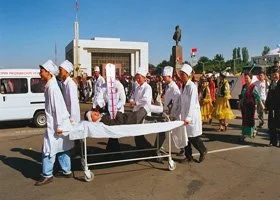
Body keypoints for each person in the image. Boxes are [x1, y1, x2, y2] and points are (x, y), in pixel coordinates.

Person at [35, 60, 74, 186]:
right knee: (62, 147)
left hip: (57, 124)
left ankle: (47, 174)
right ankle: (66, 170)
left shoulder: (52, 88)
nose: (40, 72)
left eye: (42, 70)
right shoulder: (50, 85)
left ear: (48, 72)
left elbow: (58, 107)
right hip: (57, 123)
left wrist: (59, 126)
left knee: (48, 149)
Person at [178, 64, 207, 163]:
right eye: (180, 74)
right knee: (185, 137)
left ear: (188, 75)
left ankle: (203, 150)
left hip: (192, 116)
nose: (181, 76)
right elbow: (182, 102)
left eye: (183, 74)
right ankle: (188, 156)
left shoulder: (192, 87)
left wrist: (188, 118)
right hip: (184, 115)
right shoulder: (183, 86)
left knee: (194, 137)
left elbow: (192, 104)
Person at [162, 66, 186, 156]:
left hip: (175, 114)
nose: (163, 78)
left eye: (165, 77)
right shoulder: (169, 86)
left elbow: (176, 103)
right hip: (169, 113)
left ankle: (183, 149)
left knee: (179, 133)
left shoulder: (174, 88)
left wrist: (173, 114)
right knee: (172, 133)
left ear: (169, 76)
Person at [130, 67, 153, 148]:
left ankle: (146, 148)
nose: (137, 80)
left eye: (139, 78)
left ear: (144, 77)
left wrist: (136, 102)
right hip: (137, 112)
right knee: (137, 132)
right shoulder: (137, 87)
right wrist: (131, 100)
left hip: (144, 113)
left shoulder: (147, 87)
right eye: (136, 78)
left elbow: (145, 99)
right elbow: (132, 96)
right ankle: (141, 148)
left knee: (140, 132)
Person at [239, 72, 265, 141]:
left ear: (251, 78)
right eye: (245, 78)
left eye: (247, 78)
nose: (246, 79)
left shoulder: (253, 87)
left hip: (250, 106)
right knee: (244, 120)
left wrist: (262, 105)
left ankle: (251, 132)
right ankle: (244, 133)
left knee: (250, 120)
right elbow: (242, 96)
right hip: (244, 106)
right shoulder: (244, 86)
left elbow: (258, 97)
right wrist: (240, 104)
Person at [265, 68, 280, 147]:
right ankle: (272, 141)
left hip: (278, 108)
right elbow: (268, 96)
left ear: (279, 74)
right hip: (271, 108)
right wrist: (266, 106)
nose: (274, 76)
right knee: (271, 126)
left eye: (275, 74)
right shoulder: (271, 84)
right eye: (273, 74)